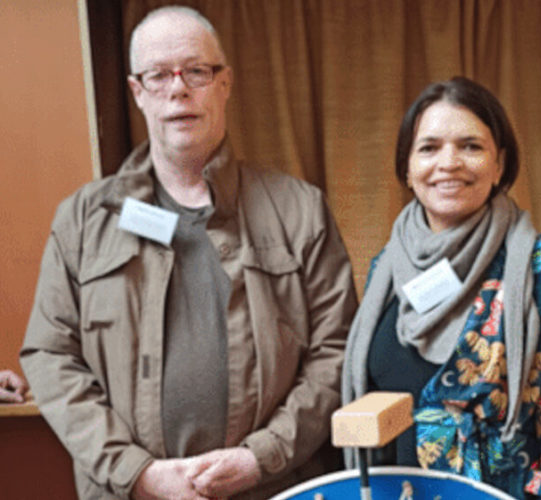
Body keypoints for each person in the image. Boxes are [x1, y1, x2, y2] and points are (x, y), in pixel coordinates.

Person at [20, 6, 357, 500]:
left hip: (275, 488)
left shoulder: (299, 209)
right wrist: (137, 473)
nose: (178, 89)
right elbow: (50, 356)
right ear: (137, 92)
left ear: (225, 84)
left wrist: (259, 457)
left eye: (196, 71)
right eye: (158, 75)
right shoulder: (83, 219)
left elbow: (338, 350)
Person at [342, 77, 541, 499]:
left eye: (471, 147)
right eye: (429, 148)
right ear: (407, 168)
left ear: (500, 165)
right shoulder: (385, 269)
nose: (449, 163)